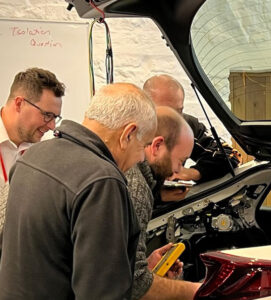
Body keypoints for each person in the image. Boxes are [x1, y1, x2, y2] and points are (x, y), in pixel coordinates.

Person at [0, 83, 157, 299]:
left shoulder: (33, 156)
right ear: (128, 134)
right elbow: (102, 293)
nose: (141, 158)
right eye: (144, 145)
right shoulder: (102, 181)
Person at [126, 106, 201, 300]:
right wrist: (198, 291)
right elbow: (136, 285)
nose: (178, 171)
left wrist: (147, 263)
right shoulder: (137, 189)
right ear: (157, 146)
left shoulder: (130, 172)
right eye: (180, 161)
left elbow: (122, 263)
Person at [143, 75, 239, 189]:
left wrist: (193, 173)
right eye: (166, 110)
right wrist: (159, 195)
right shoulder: (133, 132)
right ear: (147, 106)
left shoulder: (187, 125)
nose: (174, 119)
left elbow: (231, 155)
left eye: (178, 110)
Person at [0, 67, 64, 231]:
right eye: (47, 115)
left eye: (55, 118)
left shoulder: (48, 149)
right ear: (19, 104)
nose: (51, 126)